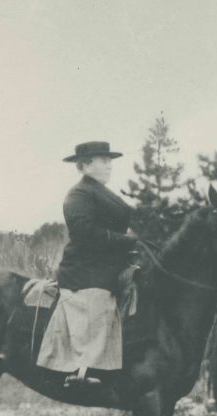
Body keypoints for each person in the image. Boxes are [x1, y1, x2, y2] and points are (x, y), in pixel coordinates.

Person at [36, 141, 138, 388]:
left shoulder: (103, 192)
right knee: (98, 301)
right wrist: (127, 240)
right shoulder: (78, 194)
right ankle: (82, 369)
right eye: (104, 161)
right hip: (86, 268)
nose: (109, 166)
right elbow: (85, 232)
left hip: (111, 263)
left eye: (109, 161)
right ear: (85, 165)